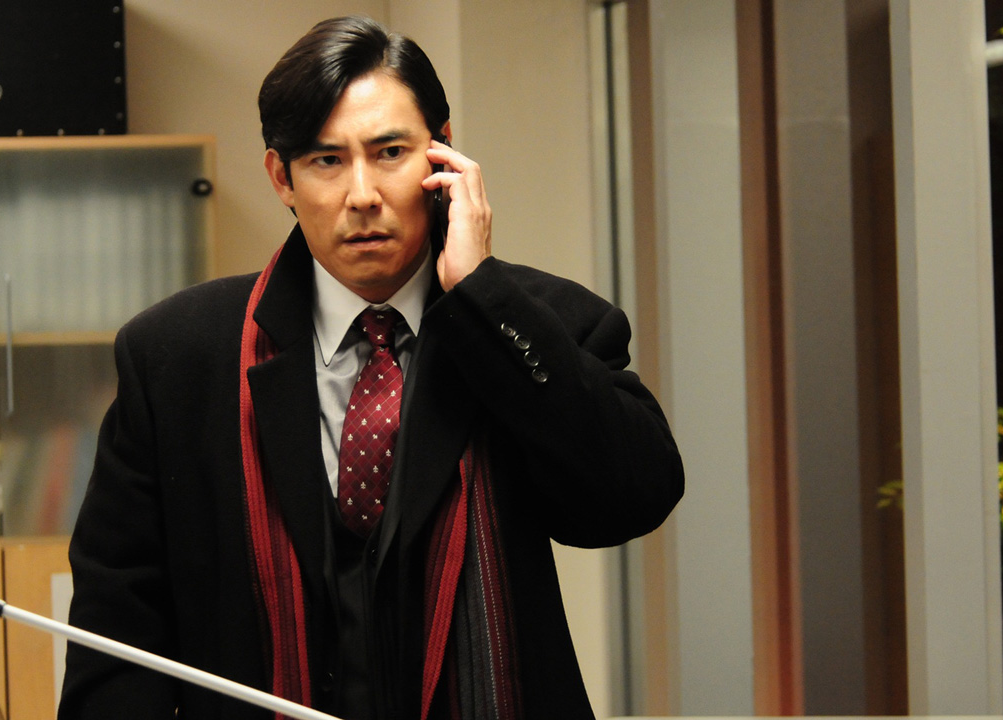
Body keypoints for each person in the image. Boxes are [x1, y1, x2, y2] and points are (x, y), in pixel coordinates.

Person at [60, 15, 684, 720]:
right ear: (281, 177)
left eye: (390, 152)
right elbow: (115, 642)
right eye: (327, 161)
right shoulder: (176, 356)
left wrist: (484, 299)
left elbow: (633, 498)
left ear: (443, 155)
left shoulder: (542, 324)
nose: (362, 194)